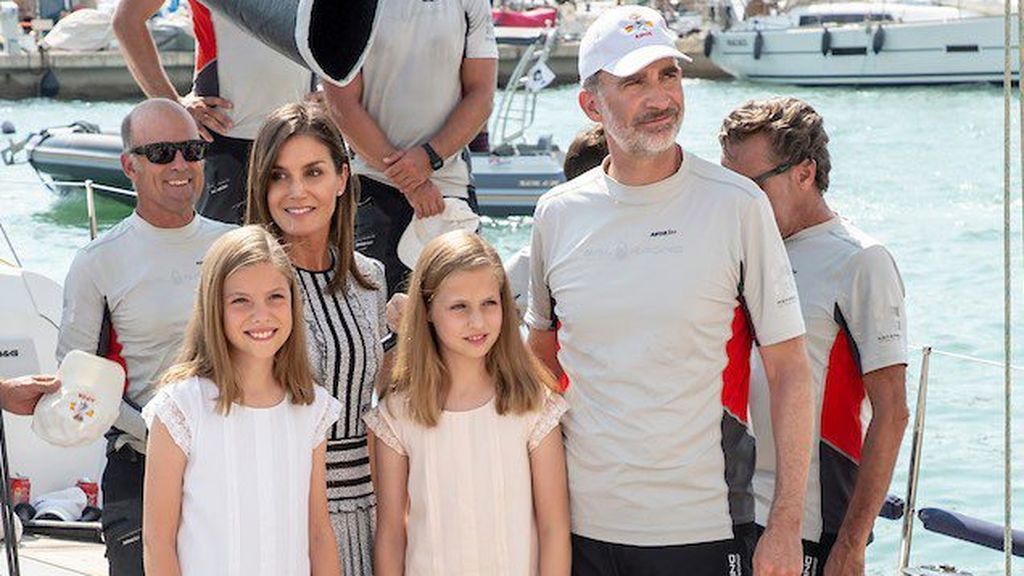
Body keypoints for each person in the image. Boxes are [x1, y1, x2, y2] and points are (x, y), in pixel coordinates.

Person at [526, 7, 815, 576]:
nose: (661, 97)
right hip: (579, 529)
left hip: (705, 529)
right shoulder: (556, 214)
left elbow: (790, 371)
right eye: (635, 81)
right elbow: (539, 358)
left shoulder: (737, 205)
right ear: (591, 104)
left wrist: (784, 526)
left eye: (669, 75)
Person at [719, 97, 909, 576]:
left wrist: (851, 545)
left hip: (806, 526)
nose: (737, 203)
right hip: (725, 512)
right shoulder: (741, 252)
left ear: (804, 173)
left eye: (749, 186)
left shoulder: (860, 261)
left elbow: (892, 411)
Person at [56, 98, 234, 575]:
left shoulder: (236, 245)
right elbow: (77, 386)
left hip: (237, 459)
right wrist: (165, 434)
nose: (180, 165)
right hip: (142, 464)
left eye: (191, 150)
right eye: (160, 153)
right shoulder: (98, 262)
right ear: (129, 166)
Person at [365, 230, 570, 576]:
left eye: (489, 303)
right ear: (427, 309)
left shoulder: (533, 403)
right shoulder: (397, 414)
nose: (477, 321)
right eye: (459, 306)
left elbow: (553, 527)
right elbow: (391, 534)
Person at [140, 225, 342, 575]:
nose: (261, 314)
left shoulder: (311, 407)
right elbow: (157, 539)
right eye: (240, 301)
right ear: (213, 307)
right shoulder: (182, 407)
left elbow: (318, 532)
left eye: (275, 297)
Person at [245, 101, 388, 576]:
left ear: (342, 178)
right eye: (279, 176)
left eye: (313, 172)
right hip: (281, 514)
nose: (297, 191)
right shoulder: (246, 289)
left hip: (370, 507)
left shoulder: (370, 279)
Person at [323, 0, 498, 295]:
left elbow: (482, 95)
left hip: (448, 189)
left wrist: (429, 157)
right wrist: (413, 180)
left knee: (459, 321)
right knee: (378, 324)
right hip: (373, 189)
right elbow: (341, 104)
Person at [113, 0, 314, 224]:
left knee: (306, 256)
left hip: (302, 137)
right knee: (223, 255)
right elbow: (126, 21)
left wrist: (335, 95)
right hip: (227, 140)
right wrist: (175, 106)